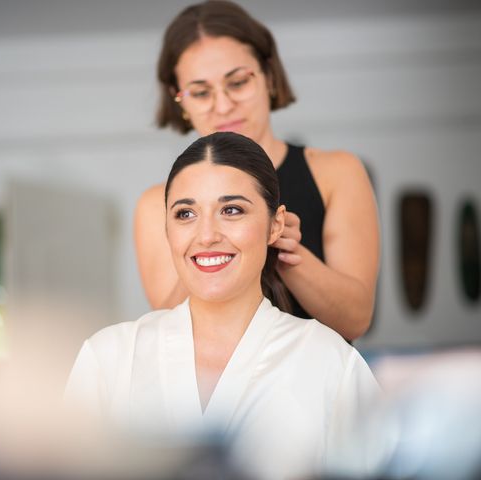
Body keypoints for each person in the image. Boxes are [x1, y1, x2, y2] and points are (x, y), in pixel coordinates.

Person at [66, 132, 381, 479]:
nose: (206, 235)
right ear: (167, 230)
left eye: (231, 210)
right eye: (185, 214)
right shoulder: (108, 359)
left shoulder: (332, 364)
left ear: (275, 225)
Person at [134, 0, 379, 341]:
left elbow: (355, 321)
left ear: (268, 76)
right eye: (201, 92)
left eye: (237, 83)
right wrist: (202, 252)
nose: (223, 105)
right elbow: (167, 336)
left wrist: (287, 253)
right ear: (182, 102)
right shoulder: (154, 204)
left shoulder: (337, 173)